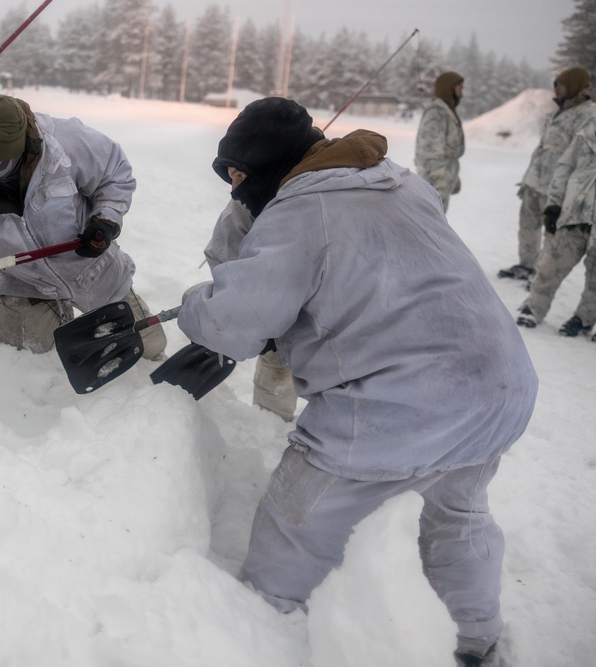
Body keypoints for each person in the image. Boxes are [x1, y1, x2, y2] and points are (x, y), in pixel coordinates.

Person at [178, 98, 538, 667]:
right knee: (458, 513)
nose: (235, 189)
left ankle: (265, 631)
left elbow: (232, 326)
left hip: (398, 403)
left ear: (271, 165)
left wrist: (194, 302)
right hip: (499, 388)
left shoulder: (300, 212)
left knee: (294, 519)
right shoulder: (397, 181)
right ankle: (478, 639)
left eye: (241, 175)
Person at [0, 93, 166, 357]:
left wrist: (105, 220)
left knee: (149, 348)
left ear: (13, 155)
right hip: (26, 282)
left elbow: (114, 175)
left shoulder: (65, 143)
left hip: (94, 272)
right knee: (25, 358)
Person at [203, 200, 297, 421]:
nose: (235, 183)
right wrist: (250, 314)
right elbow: (225, 260)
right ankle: (271, 420)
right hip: (268, 296)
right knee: (279, 359)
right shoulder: (244, 205)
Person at [498, 67, 595, 281]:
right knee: (527, 228)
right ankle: (527, 266)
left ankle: (541, 275)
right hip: (535, 183)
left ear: (573, 86)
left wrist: (568, 196)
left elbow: (581, 160)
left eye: (560, 85)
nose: (556, 89)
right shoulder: (556, 113)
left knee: (552, 235)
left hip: (557, 189)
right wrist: (527, 179)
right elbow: (543, 148)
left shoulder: (587, 116)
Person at [516, 117, 596, 336]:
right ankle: (533, 308)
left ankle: (584, 319)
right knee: (551, 265)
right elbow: (565, 166)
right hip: (575, 213)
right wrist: (554, 203)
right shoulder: (588, 128)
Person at [414, 71, 465, 212]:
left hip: (443, 179)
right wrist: (438, 182)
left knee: (436, 224)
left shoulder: (447, 111)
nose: (462, 91)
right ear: (448, 88)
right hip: (434, 183)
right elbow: (429, 152)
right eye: (459, 87)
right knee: (428, 224)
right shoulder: (436, 112)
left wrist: (453, 177)